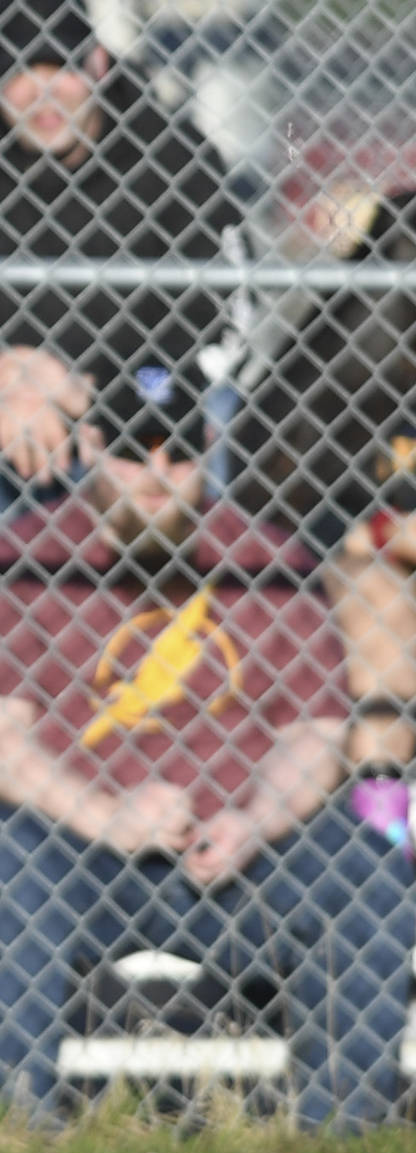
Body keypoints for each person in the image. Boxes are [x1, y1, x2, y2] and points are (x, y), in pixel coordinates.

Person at [0, 356, 416, 1133]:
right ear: (93, 446)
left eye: (180, 452)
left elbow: (313, 732)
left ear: (210, 448)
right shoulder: (18, 560)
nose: (159, 474)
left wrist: (256, 819)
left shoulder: (268, 562)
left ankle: (343, 1131)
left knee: (361, 868)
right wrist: (105, 815)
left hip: (240, 856)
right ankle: (11, 1125)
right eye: (136, 451)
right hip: (76, 853)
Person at [0, 0, 240, 621]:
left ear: (98, 64)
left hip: (136, 387)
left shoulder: (171, 153)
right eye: (19, 74)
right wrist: (0, 369)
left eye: (62, 69)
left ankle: (204, 630)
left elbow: (211, 313)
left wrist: (85, 386)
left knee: (209, 409)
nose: (42, 94)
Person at [235, 189, 416, 851]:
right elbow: (293, 512)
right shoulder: (352, 374)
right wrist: (385, 533)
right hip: (375, 580)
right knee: (376, 594)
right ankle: (383, 829)